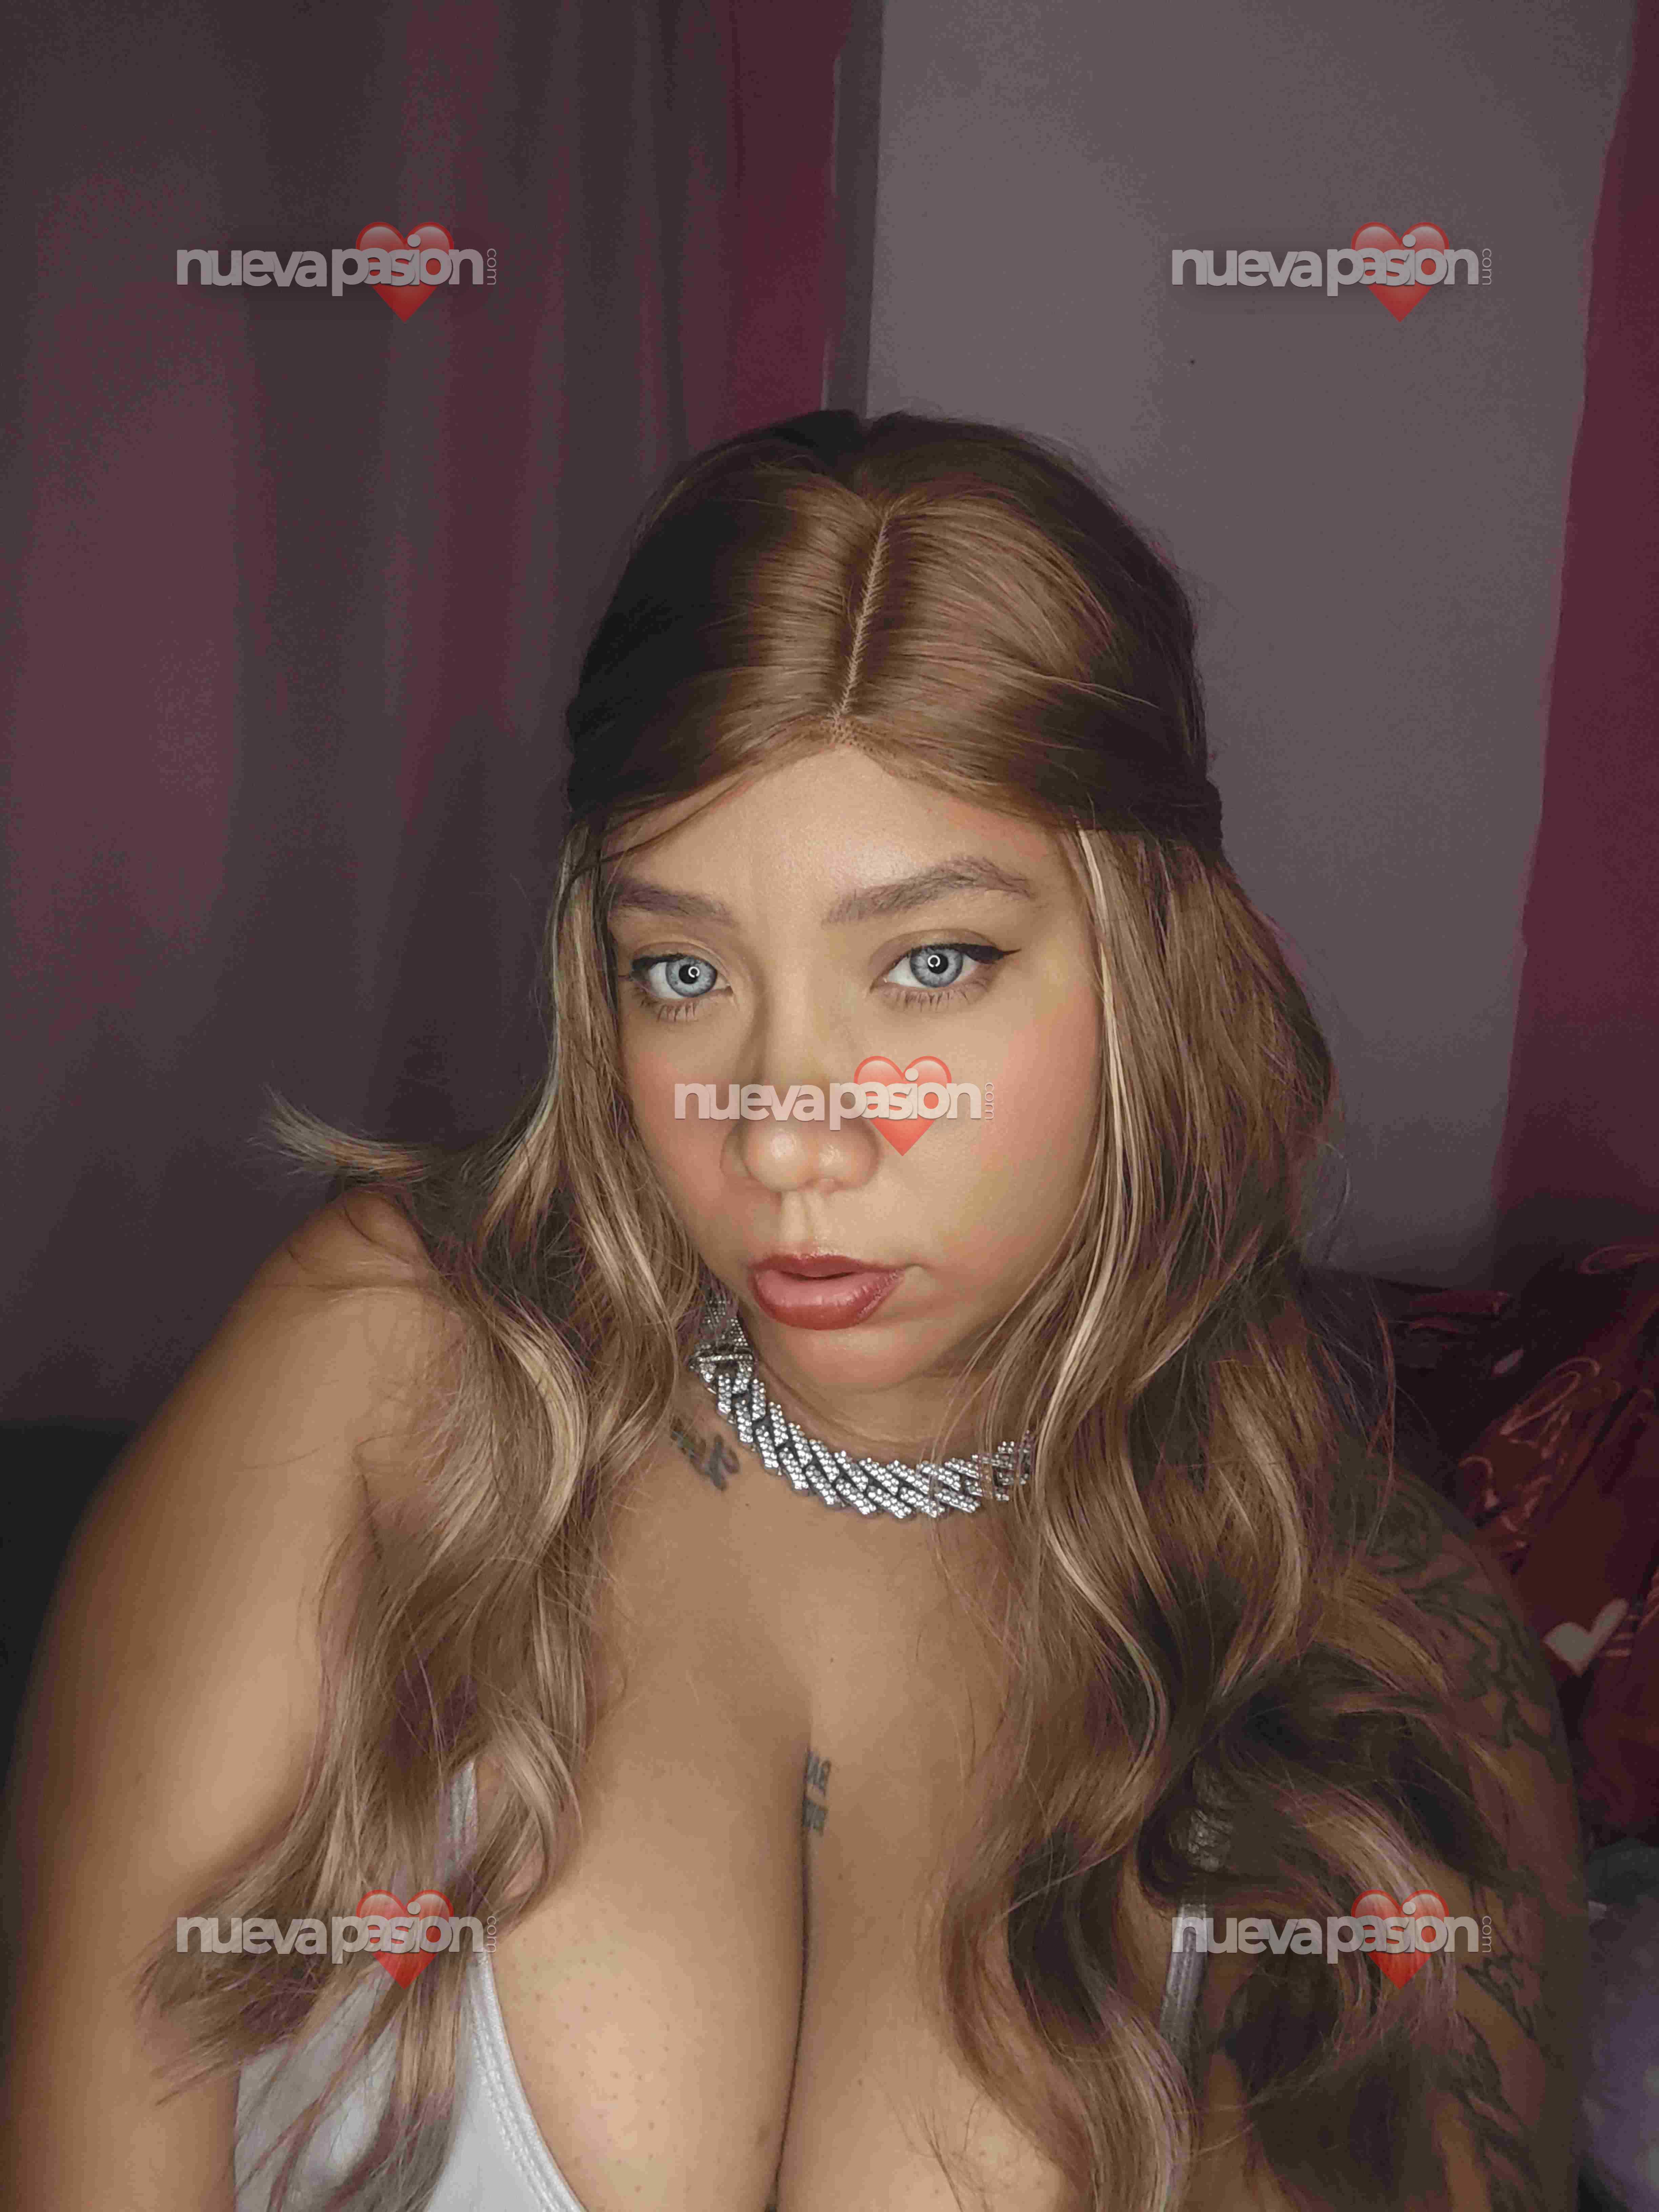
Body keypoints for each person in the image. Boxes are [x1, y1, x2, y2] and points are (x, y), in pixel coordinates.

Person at [1, 410, 1586, 2212]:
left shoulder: (1375, 1638)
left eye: (930, 962)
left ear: (1152, 966)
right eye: (685, 971)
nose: (787, 1132)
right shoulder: (387, 1373)